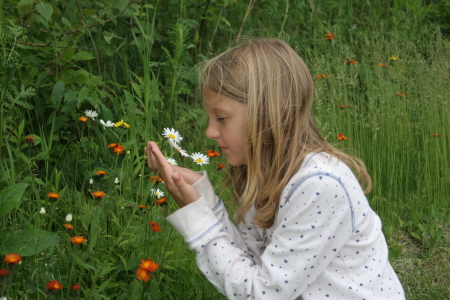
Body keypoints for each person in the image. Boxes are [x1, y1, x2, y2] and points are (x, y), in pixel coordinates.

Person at [145, 38, 405, 300]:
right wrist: (202, 200)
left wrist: (199, 220)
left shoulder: (320, 185)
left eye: (221, 118)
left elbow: (262, 293)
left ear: (267, 113)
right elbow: (249, 261)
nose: (210, 131)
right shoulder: (265, 174)